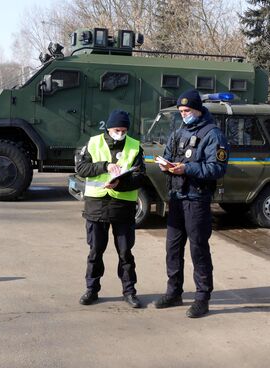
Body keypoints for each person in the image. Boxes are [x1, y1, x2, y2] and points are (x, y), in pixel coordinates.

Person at [154, 89, 229, 318]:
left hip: (197, 200)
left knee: (198, 248)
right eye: (180, 111)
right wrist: (165, 165)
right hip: (177, 197)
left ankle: (202, 298)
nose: (183, 114)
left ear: (197, 109)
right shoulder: (178, 132)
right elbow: (168, 154)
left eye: (186, 110)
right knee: (173, 248)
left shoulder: (213, 134)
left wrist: (187, 168)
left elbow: (217, 168)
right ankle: (174, 292)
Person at [76, 109, 146, 308]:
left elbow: (140, 176)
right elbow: (81, 169)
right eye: (117, 130)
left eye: (124, 130)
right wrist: (104, 166)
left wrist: (120, 184)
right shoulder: (93, 143)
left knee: (125, 253)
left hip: (122, 207)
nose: (121, 134)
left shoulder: (134, 146)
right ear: (108, 128)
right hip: (96, 206)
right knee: (95, 251)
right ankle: (91, 290)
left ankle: (129, 291)